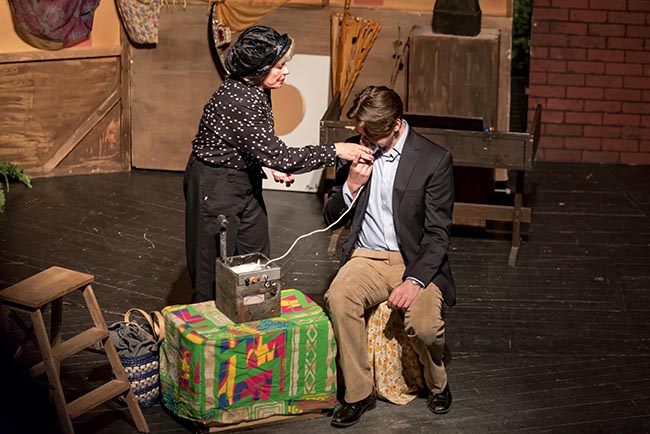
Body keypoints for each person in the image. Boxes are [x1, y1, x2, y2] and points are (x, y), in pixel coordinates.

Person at [184, 25, 372, 303]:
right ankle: (206, 323)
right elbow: (281, 155)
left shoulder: (258, 88)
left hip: (244, 178)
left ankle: (253, 316)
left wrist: (267, 161)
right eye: (280, 66)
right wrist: (335, 150)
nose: (287, 71)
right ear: (258, 68)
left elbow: (253, 140)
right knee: (210, 270)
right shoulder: (238, 99)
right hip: (215, 183)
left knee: (255, 257)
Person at [323, 85, 456, 427]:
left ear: (396, 124)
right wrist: (351, 185)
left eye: (371, 134)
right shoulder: (355, 150)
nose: (362, 139)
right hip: (366, 257)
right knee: (339, 297)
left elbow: (438, 234)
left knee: (424, 326)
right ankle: (358, 393)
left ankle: (438, 382)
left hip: (413, 259)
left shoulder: (433, 159)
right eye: (360, 131)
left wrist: (415, 281)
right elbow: (330, 217)